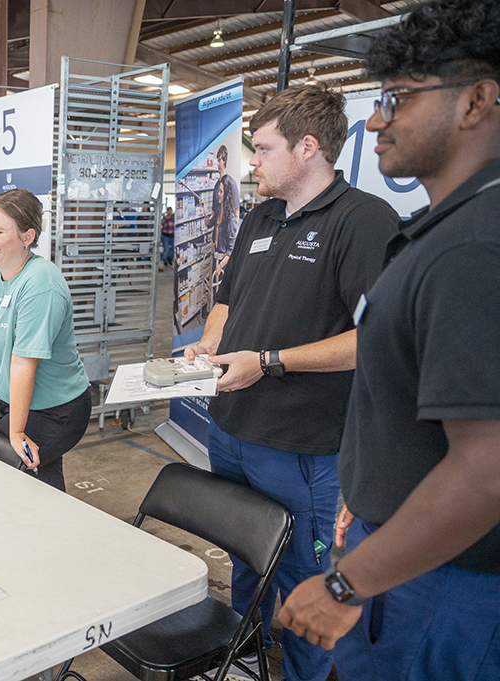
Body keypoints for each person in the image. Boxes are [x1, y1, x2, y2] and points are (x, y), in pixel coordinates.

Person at [280, 3, 500, 679]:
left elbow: (487, 469)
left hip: (437, 582)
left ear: (477, 102)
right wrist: (366, 485)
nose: (376, 119)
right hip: (408, 551)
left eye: (397, 98)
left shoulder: (473, 248)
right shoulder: (445, 228)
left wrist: (349, 584)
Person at [183, 84, 398, 681]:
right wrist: (209, 343)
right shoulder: (260, 213)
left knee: (306, 578)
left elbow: (373, 341)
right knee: (246, 556)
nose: (253, 161)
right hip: (230, 430)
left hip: (304, 446)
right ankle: (246, 657)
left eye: (263, 148)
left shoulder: (363, 222)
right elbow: (228, 300)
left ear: (308, 147)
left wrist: (270, 360)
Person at [0, 189, 90, 491]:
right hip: (17, 401)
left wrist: (17, 431)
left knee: (10, 468)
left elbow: (24, 363)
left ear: (27, 236)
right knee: (41, 479)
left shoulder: (41, 285)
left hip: (58, 408)